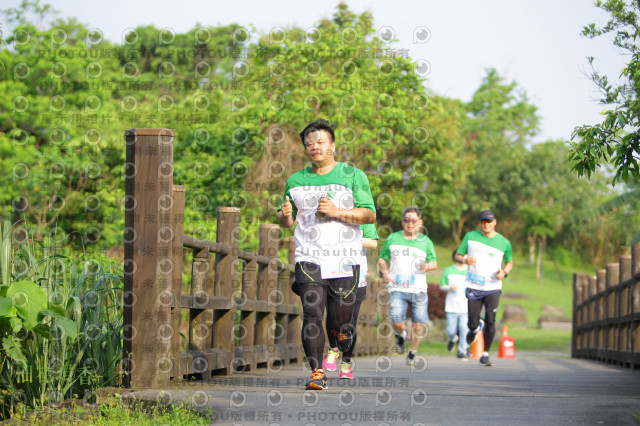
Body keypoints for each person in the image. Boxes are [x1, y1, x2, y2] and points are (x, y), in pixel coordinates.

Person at [277, 119, 376, 390]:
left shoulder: (354, 176)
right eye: (309, 144)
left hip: (346, 258)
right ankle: (317, 372)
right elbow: (286, 218)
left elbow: (369, 213)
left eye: (320, 142)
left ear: (332, 145)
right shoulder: (295, 180)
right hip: (309, 256)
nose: (314, 147)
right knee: (311, 313)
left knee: (340, 322)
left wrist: (337, 212)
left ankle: (340, 342)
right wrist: (285, 217)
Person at [378, 207, 437, 366]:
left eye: (413, 220)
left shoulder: (425, 241)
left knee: (418, 323)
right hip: (397, 287)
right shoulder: (392, 238)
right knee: (396, 320)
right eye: (406, 220)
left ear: (420, 222)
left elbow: (434, 263)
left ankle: (412, 352)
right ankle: (402, 334)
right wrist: (385, 273)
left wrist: (426, 266)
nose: (410, 223)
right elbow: (382, 259)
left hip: (418, 289)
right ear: (403, 221)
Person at [454, 209, 513, 367]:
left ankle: (485, 354)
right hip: (474, 284)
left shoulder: (504, 242)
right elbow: (457, 256)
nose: (486, 224)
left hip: (493, 286)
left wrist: (504, 272)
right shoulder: (470, 237)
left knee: (491, 320)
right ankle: (474, 329)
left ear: (495, 222)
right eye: (483, 222)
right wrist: (465, 259)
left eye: (489, 221)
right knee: (472, 321)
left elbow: (509, 262)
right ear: (480, 223)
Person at [323, 223, 378, 379]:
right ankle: (333, 349)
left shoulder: (364, 216)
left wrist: (347, 237)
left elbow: (373, 243)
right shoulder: (330, 215)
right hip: (332, 272)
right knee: (332, 315)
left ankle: (346, 362)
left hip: (356, 276)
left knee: (351, 320)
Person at [440, 250, 470, 361]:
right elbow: (442, 285)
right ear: (455, 257)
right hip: (451, 306)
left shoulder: (470, 271)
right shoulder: (449, 270)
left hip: (466, 306)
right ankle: (453, 339)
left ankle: (462, 351)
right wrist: (449, 288)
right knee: (451, 331)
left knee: (464, 329)